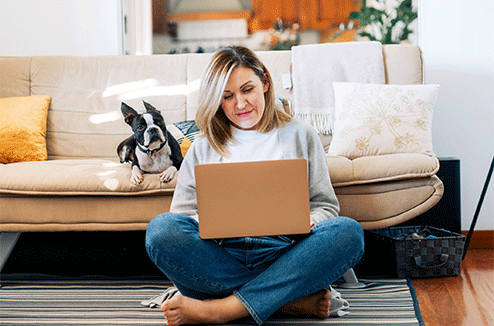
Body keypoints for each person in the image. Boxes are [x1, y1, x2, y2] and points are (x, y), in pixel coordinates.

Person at [145, 46, 364, 326]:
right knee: (160, 231)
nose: (240, 104)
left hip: (285, 253)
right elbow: (181, 217)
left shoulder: (301, 135)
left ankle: (221, 309)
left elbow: (325, 205)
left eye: (247, 89)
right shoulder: (202, 147)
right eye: (227, 96)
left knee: (349, 233)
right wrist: (209, 222)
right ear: (218, 102)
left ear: (265, 83)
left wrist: (310, 220)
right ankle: (286, 302)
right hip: (221, 255)